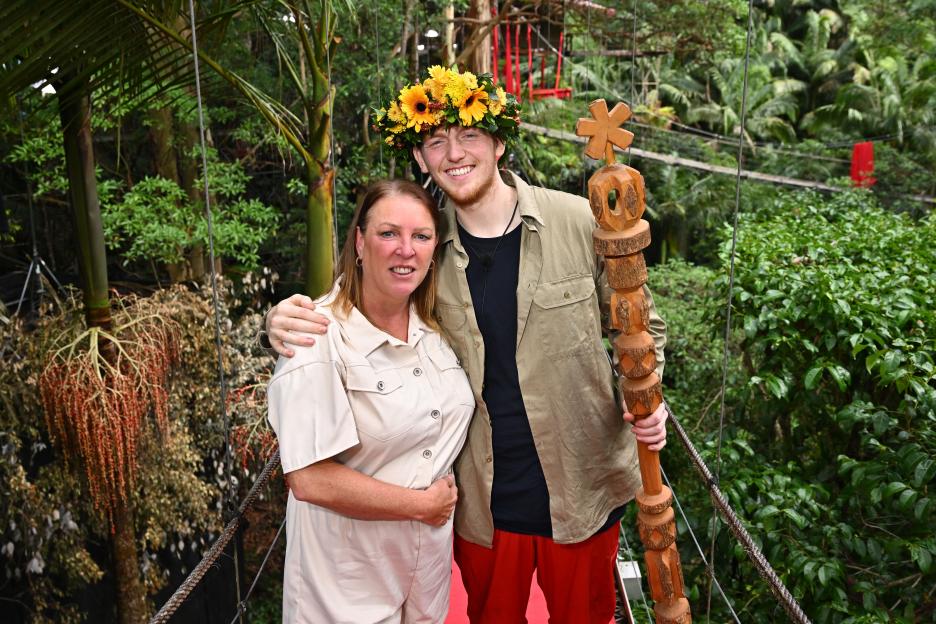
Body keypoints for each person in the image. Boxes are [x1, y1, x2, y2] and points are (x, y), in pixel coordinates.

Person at [264, 67, 668, 623]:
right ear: (421, 158)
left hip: (583, 487)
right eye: (435, 140)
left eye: (469, 135)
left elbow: (642, 324)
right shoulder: (425, 253)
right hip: (481, 505)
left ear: (499, 142)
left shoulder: (578, 222)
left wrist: (645, 398)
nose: (454, 153)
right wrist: (283, 317)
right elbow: (362, 303)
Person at [266, 179, 475, 623]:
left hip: (424, 577)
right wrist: (422, 506)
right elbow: (309, 479)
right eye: (388, 234)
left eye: (420, 236)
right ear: (359, 242)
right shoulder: (315, 336)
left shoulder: (438, 328)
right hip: (346, 588)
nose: (406, 249)